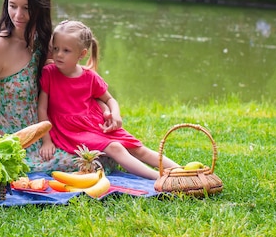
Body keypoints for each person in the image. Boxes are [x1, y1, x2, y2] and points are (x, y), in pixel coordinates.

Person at [0, 0, 93, 173]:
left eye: (26, 8)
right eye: (12, 6)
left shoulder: (44, 44)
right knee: (89, 162)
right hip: (8, 147)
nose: (18, 15)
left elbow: (74, 80)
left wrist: (106, 107)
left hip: (43, 142)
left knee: (96, 156)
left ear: (40, 8)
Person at [37, 20, 179, 180]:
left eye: (66, 50)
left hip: (96, 124)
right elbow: (42, 109)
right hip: (72, 130)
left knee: (138, 148)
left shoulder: (90, 76)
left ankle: (183, 172)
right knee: (115, 147)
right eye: (55, 49)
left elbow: (110, 99)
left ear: (82, 54)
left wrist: (115, 114)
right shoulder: (49, 73)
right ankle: (160, 178)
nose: (59, 54)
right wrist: (46, 141)